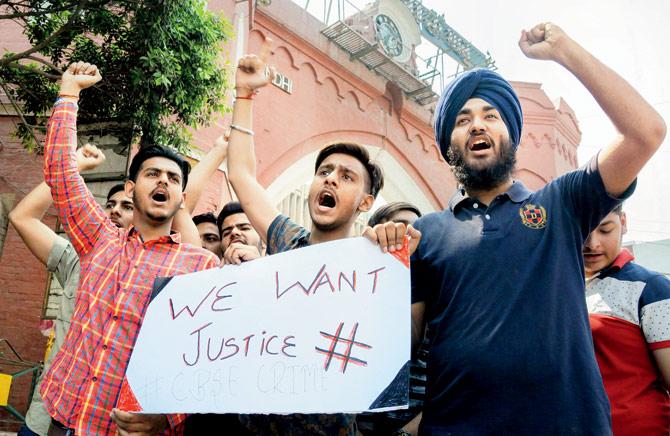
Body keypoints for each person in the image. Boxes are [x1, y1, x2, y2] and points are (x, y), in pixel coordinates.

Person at [409, 22, 666, 434]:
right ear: (446, 144)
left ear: (512, 132)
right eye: (462, 119)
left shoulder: (563, 203)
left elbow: (646, 133)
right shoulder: (424, 234)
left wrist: (565, 50)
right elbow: (395, 348)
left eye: (490, 115)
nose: (477, 125)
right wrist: (376, 258)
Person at [226, 39, 420, 435]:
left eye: (346, 176)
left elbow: (404, 347)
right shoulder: (287, 241)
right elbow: (241, 175)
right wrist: (244, 94)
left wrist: (398, 266)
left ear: (365, 202)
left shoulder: (372, 266)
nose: (330, 178)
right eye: (324, 171)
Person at [40, 62, 219, 435]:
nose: (163, 182)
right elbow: (60, 171)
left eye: (173, 179)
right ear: (131, 187)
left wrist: (169, 419)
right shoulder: (99, 239)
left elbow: (207, 361)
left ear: (181, 198)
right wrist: (69, 92)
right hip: (62, 420)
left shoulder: (200, 267)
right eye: (153, 174)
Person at [9, 147, 129, 436]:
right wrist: (73, 166)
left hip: (103, 425)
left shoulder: (155, 279)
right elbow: (23, 217)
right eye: (110, 204)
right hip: (44, 419)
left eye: (127, 206)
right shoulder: (78, 260)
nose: (114, 210)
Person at [583, 205, 670, 435]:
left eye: (605, 230)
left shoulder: (652, 288)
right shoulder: (557, 287)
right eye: (582, 230)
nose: (592, 244)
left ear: (623, 222)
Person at [358, 202, 427, 436]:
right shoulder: (351, 291)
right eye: (400, 226)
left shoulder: (437, 297)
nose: (408, 235)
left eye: (416, 230)